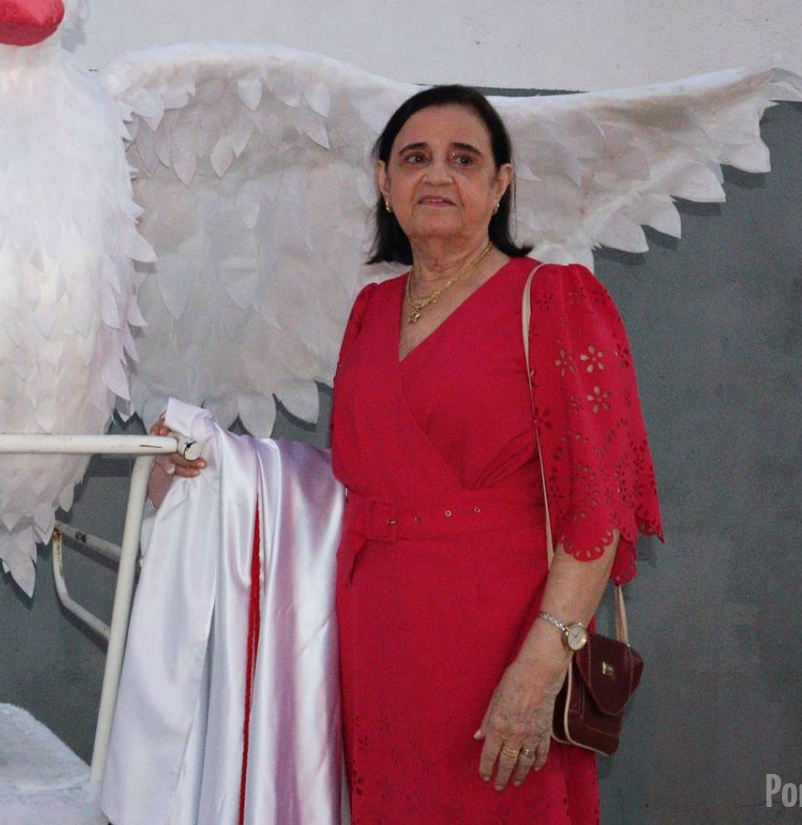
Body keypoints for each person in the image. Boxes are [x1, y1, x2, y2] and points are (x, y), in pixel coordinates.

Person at [150, 84, 662, 822]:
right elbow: (347, 483)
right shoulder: (372, 309)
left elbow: (599, 503)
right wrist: (215, 467)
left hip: (504, 633)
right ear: (385, 183)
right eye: (415, 158)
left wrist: (543, 662)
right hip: (375, 637)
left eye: (464, 159)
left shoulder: (555, 299)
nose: (438, 175)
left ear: (501, 184)